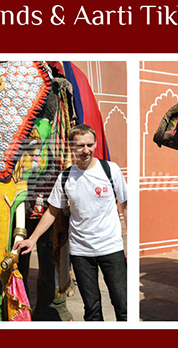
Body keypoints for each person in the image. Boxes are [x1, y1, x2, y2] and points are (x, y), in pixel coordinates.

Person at [14, 125, 127, 321]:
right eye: (80, 146)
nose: (86, 150)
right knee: (92, 309)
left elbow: (126, 204)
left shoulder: (110, 170)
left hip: (111, 248)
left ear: (96, 144)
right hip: (81, 253)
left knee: (123, 305)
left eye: (90, 145)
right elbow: (52, 211)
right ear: (71, 147)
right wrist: (32, 240)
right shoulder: (66, 177)